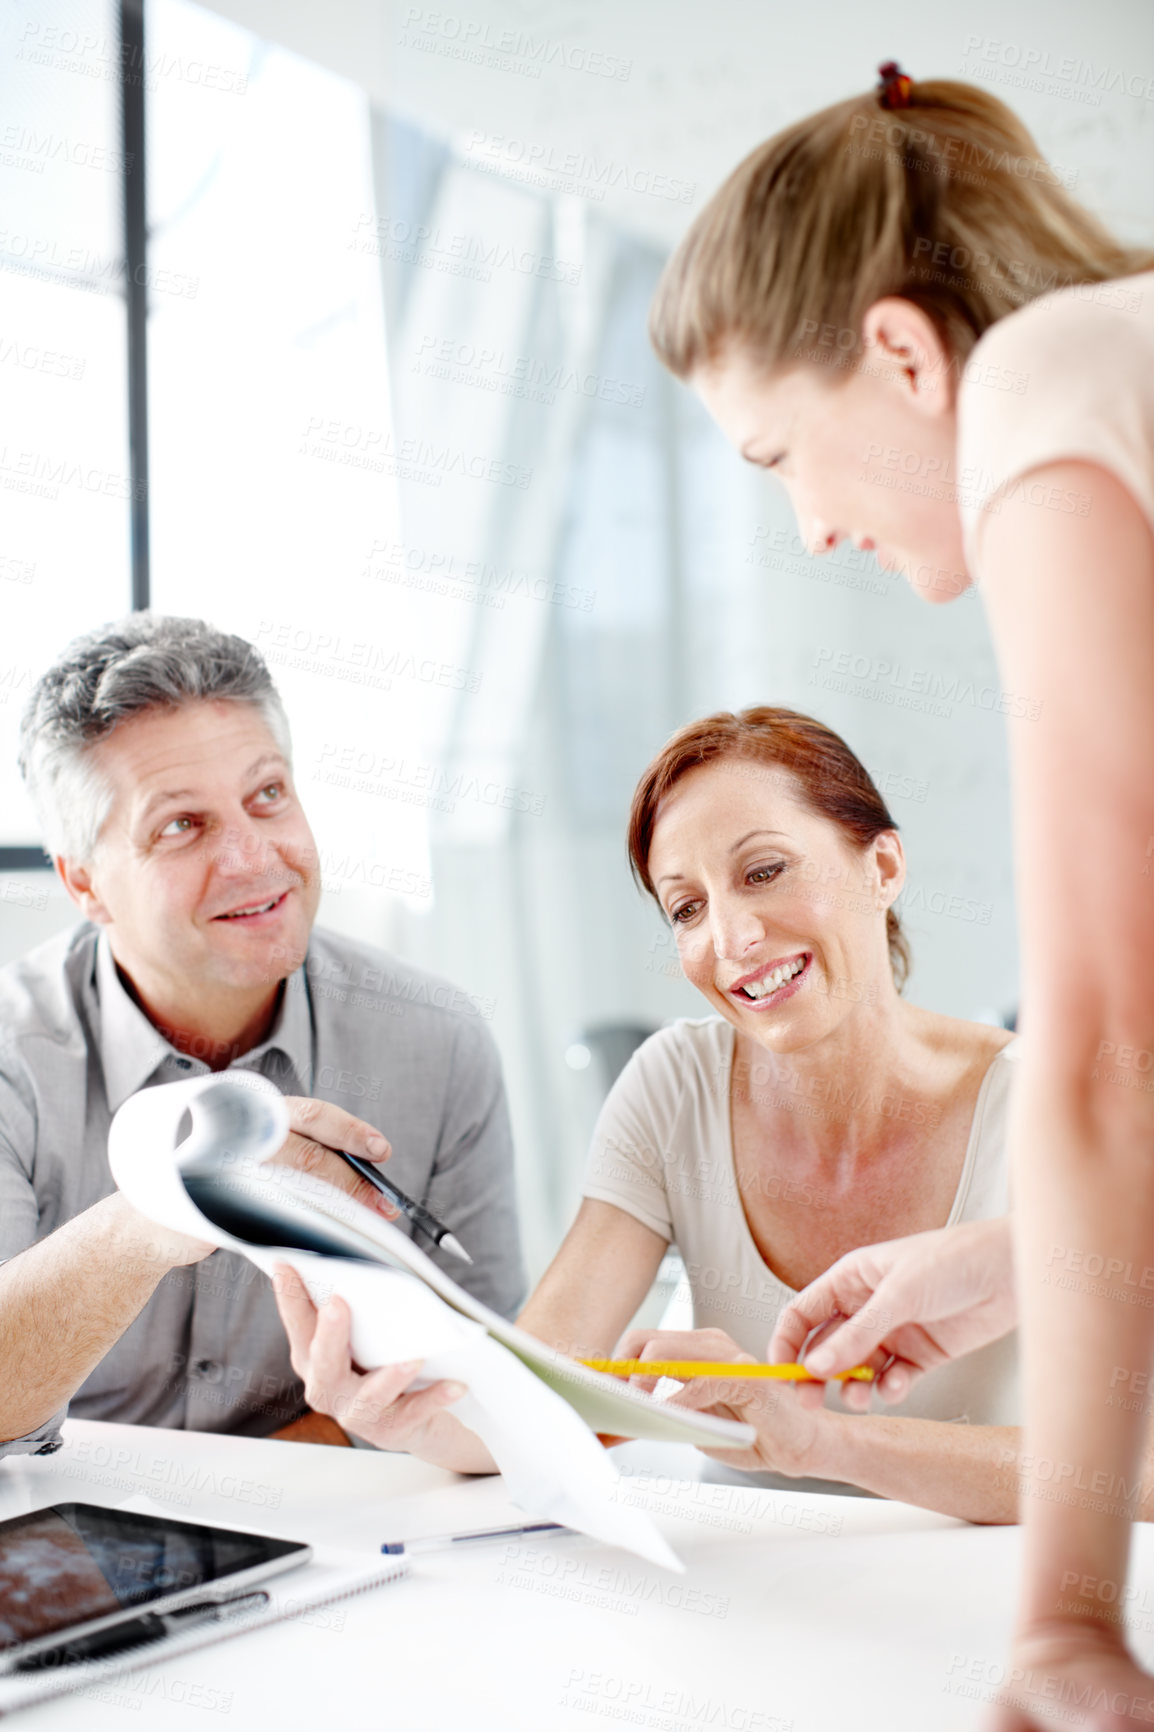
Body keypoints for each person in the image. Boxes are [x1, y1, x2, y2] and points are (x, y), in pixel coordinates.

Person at [644, 64, 1154, 1729]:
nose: (801, 526)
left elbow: (1096, 1056)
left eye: (778, 451)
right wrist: (1005, 1264)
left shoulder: (1043, 383)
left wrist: (1066, 1623)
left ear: (899, 352)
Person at [279, 704, 1081, 1521]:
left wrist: (829, 1448)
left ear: (882, 865)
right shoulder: (675, 1084)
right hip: (742, 1590)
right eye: (686, 908)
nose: (731, 937)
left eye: (764, 871)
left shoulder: (1058, 1107)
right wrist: (394, 1401)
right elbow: (530, 1398)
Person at [0, 614, 524, 1459]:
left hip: (336, 1540)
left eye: (267, 795)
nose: (253, 859)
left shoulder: (436, 1042)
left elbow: (491, 1386)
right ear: (84, 883)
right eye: (181, 825)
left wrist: (359, 1431)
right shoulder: (14, 1061)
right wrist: (159, 1211)